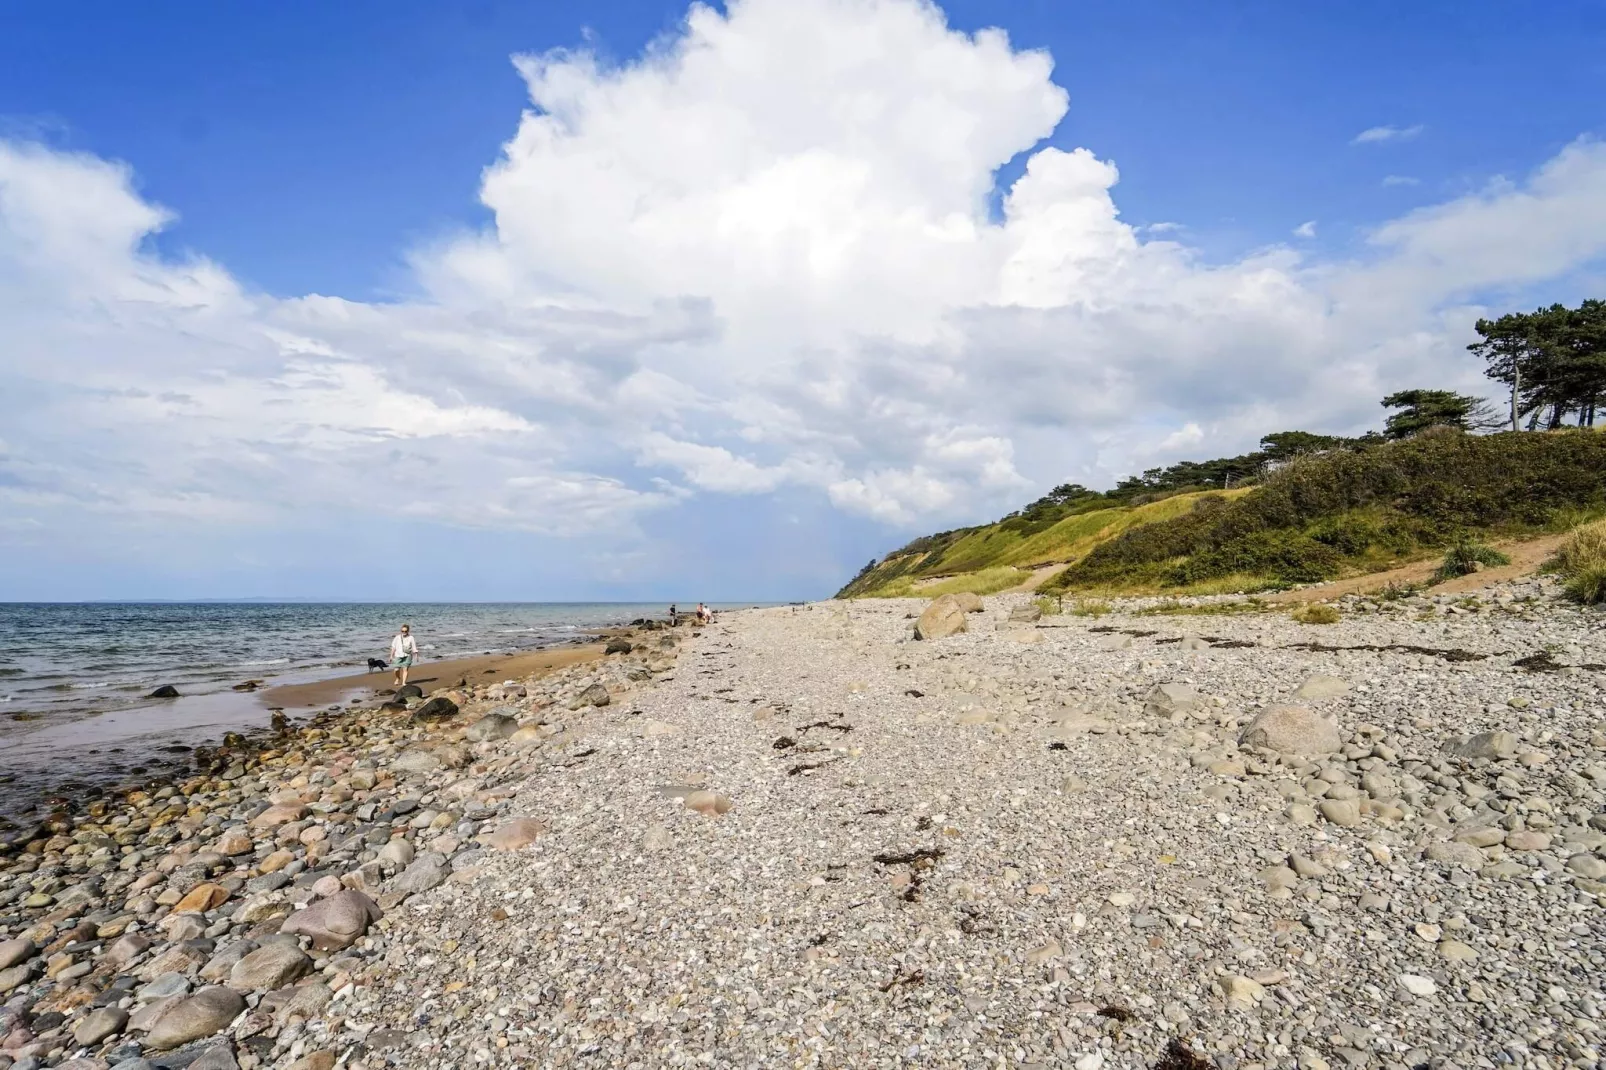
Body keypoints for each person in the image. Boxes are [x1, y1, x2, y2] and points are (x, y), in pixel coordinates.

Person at [389, 624, 419, 688]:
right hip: (398, 655)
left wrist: (416, 655)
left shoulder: (411, 638)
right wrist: (391, 656)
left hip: (407, 655)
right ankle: (398, 678)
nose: (404, 632)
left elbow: (414, 647)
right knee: (396, 669)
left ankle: (403, 682)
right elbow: (393, 647)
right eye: (402, 631)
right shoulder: (397, 637)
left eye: (405, 631)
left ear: (408, 631)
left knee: (405, 669)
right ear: (401, 631)